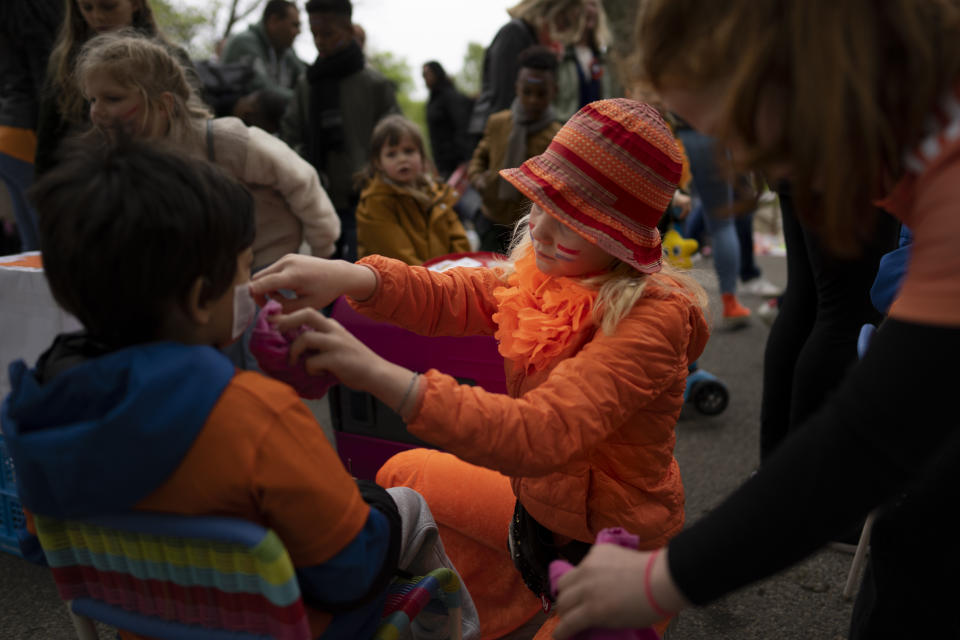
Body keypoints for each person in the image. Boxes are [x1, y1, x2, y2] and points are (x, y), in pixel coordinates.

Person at [551, 2, 960, 639]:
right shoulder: (907, 119)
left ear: (796, 67)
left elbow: (869, 439)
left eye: (736, 125)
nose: (742, 156)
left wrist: (660, 581)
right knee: (911, 528)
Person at [250, 99, 709, 640]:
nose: (538, 230)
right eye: (540, 204)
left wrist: (375, 373)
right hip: (534, 518)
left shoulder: (654, 320)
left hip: (615, 558)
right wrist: (351, 277)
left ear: (621, 239)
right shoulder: (543, 272)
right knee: (403, 474)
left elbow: (542, 432)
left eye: (569, 221)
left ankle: (590, 608)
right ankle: (517, 590)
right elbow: (453, 294)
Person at [0, 137, 474, 640]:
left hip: (148, 628)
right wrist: (373, 505)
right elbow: (350, 572)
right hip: (298, 627)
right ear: (202, 298)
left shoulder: (35, 409)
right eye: (245, 269)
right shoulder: (254, 414)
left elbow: (42, 546)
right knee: (407, 504)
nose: (251, 285)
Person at [78, 32, 339, 273]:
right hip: (210, 285)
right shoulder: (126, 164)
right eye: (92, 100)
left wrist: (318, 257)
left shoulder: (225, 141)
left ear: (163, 104)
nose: (96, 112)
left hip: (272, 271)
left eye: (112, 99)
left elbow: (303, 182)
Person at [281, 0, 399, 262]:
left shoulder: (375, 84)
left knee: (364, 276)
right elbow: (290, 135)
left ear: (348, 29)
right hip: (318, 198)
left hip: (368, 200)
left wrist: (373, 170)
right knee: (323, 277)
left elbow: (395, 139)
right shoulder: (306, 84)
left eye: (328, 33)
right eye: (314, 34)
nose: (320, 41)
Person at [34, 0, 195, 176]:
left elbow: (192, 122)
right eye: (87, 8)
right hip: (85, 183)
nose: (97, 16)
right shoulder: (65, 61)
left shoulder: (171, 59)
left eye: (109, 6)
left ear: (135, 4)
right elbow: (48, 137)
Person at [468, 45, 561, 254]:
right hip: (490, 218)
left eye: (541, 93)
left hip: (527, 229)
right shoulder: (498, 122)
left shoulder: (558, 135)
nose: (533, 100)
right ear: (516, 87)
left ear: (554, 91)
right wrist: (478, 179)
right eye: (527, 92)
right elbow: (480, 156)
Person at [355, 115, 471, 265]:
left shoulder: (437, 194)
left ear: (422, 156)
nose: (402, 159)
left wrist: (461, 271)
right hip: (404, 284)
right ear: (378, 163)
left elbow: (459, 240)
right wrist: (434, 282)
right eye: (392, 154)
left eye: (409, 151)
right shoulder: (375, 202)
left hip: (442, 280)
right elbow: (397, 257)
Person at [467, 0, 583, 145]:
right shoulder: (514, 33)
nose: (562, 30)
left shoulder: (532, 38)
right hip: (498, 136)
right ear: (551, 12)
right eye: (564, 21)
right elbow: (503, 94)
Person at [0, 0, 63, 252]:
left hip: (5, 133)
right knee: (49, 235)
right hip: (24, 130)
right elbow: (43, 82)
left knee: (31, 240)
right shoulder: (34, 20)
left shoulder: (7, 17)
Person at [221, 0, 305, 106]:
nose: (298, 32)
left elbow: (305, 77)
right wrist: (305, 99)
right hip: (236, 120)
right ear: (273, 21)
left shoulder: (285, 51)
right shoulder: (244, 43)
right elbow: (262, 89)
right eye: (294, 25)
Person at [552, 0, 618, 122]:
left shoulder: (602, 57)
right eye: (584, 5)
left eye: (593, 5)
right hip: (565, 133)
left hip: (597, 134)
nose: (590, 10)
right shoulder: (559, 54)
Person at [423, 61, 474, 179]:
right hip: (442, 164)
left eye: (428, 74)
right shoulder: (433, 100)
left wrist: (465, 159)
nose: (425, 78)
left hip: (457, 163)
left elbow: (462, 126)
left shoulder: (450, 97)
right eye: (423, 75)